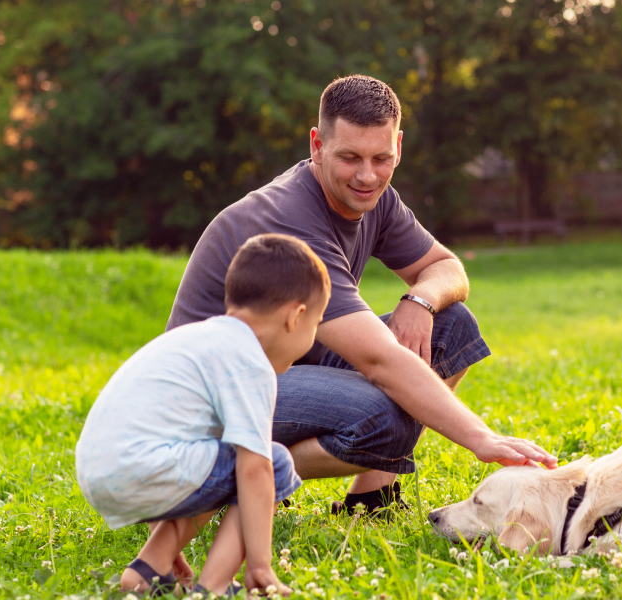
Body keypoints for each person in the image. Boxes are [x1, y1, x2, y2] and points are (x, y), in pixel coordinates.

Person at [167, 75, 557, 517]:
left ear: (399, 147)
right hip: (212, 402)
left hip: (289, 363)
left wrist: (421, 300)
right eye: (349, 157)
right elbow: (379, 362)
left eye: (381, 158)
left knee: (454, 326)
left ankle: (371, 499)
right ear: (317, 144)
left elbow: (446, 268)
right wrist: (482, 439)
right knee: (381, 415)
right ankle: (235, 477)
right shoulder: (292, 217)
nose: (367, 175)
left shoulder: (376, 198)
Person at [77, 234, 328, 595]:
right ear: (296, 316)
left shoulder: (200, 339)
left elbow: (180, 449)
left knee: (220, 461)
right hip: (144, 467)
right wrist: (260, 564)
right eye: (317, 324)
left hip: (101, 470)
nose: (313, 336)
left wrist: (167, 537)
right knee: (272, 463)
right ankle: (215, 585)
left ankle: (149, 569)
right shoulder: (249, 361)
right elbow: (254, 469)